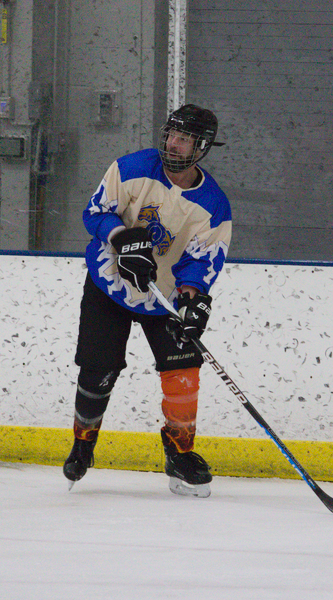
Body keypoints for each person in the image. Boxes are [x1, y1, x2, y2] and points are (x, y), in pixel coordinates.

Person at [62, 104, 232, 498]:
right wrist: (122, 238)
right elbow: (95, 213)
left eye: (184, 139)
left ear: (202, 147)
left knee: (184, 372)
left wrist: (192, 301)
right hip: (109, 284)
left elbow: (202, 260)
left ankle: (179, 454)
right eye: (171, 134)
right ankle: (83, 445)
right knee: (98, 369)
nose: (173, 143)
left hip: (164, 296)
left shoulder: (213, 204)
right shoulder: (131, 168)